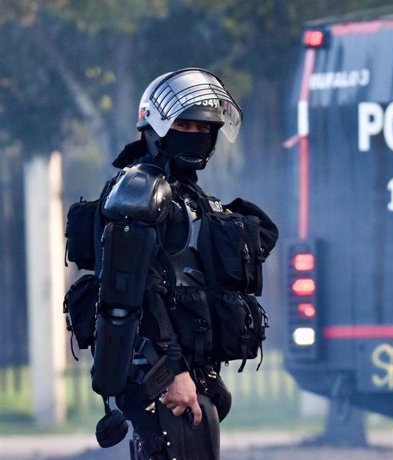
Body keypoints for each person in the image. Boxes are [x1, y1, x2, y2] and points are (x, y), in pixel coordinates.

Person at [86, 68, 277, 460]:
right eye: (185, 124)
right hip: (160, 372)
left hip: (190, 370)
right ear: (156, 126)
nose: (198, 135)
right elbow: (134, 293)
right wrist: (173, 371)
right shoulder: (139, 190)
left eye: (205, 127)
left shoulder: (187, 196)